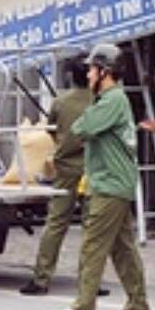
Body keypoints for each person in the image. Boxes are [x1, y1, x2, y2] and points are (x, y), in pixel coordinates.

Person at [53, 43, 151, 310]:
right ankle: (138, 304)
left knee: (93, 244)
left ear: (104, 72)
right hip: (113, 181)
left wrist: (84, 122)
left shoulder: (111, 100)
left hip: (109, 183)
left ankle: (83, 308)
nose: (89, 74)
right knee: (122, 247)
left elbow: (82, 128)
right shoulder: (108, 100)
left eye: (92, 69)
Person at [19, 57, 107, 297]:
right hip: (93, 168)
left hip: (66, 167)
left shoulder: (60, 101)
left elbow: (52, 128)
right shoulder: (100, 101)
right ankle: (91, 281)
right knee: (92, 226)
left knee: (56, 223)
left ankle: (41, 278)